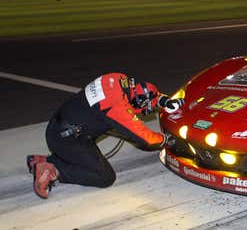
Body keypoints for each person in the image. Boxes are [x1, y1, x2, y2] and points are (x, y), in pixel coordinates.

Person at [27, 73, 184, 199]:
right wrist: (165, 140)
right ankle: (53, 169)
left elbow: (142, 95)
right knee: (104, 177)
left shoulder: (118, 79)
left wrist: (164, 100)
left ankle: (46, 159)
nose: (146, 112)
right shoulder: (116, 108)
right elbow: (144, 138)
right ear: (137, 101)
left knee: (92, 147)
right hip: (68, 140)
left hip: (61, 128)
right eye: (145, 109)